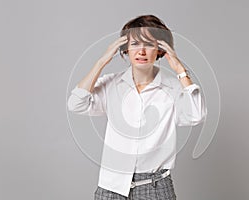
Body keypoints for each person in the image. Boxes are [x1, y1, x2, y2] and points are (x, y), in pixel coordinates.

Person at [67, 14, 207, 200]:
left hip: (156, 188)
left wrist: (180, 71)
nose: (141, 51)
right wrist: (101, 62)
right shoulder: (111, 84)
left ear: (160, 50)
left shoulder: (173, 86)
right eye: (134, 44)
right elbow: (76, 104)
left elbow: (195, 115)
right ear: (125, 49)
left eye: (149, 44)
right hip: (112, 188)